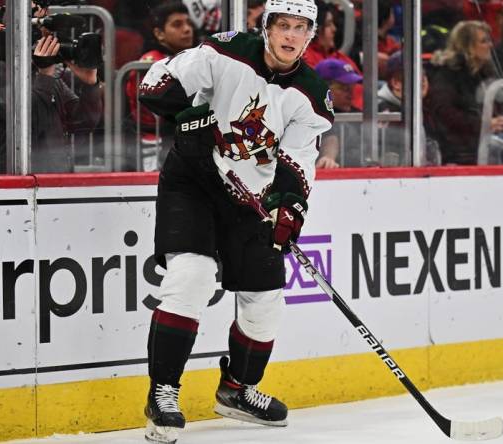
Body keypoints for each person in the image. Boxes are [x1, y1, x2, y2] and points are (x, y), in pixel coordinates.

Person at [137, 0, 332, 442]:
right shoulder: (223, 52)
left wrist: (288, 206)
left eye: (300, 28)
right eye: (282, 25)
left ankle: (237, 390)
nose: (290, 36)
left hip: (252, 199)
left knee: (265, 301)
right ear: (266, 27)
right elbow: (155, 84)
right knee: (192, 278)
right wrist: (184, 114)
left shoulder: (311, 94)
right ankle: (163, 393)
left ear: (310, 35)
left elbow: (298, 159)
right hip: (195, 184)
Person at [0, 1, 103, 173]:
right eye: (37, 21)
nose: (47, 33)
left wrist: (90, 84)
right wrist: (45, 74)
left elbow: (83, 122)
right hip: (14, 184)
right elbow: (32, 124)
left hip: (54, 180)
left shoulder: (43, 75)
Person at [124, 0, 194, 170]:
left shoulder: (192, 57)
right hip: (152, 141)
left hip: (178, 138)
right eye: (177, 25)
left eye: (188, 23)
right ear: (159, 33)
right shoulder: (150, 63)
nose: (187, 29)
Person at [427, 20, 503, 165]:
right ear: (467, 46)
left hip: (484, 144)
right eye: (484, 41)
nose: (490, 45)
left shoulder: (485, 73)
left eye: (490, 40)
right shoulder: (448, 73)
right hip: (458, 150)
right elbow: (444, 113)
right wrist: (482, 124)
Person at [304, 0, 363, 110]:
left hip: (360, 115)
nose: (334, 29)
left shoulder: (341, 57)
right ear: (315, 29)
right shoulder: (303, 59)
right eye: (328, 24)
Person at [314, 58, 362, 168]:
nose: (350, 93)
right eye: (344, 88)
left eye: (352, 87)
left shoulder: (359, 115)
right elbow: (330, 137)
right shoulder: (312, 115)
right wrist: (328, 158)